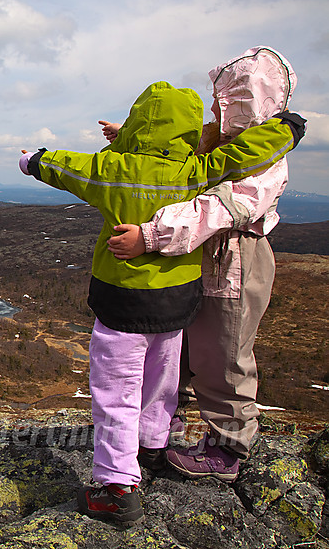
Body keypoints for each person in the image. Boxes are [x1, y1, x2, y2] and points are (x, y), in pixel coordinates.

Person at [19, 80, 304, 524]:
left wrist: (33, 159)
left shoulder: (111, 169)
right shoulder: (197, 170)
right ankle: (153, 448)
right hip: (177, 303)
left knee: (116, 392)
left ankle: (116, 486)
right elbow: (245, 153)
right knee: (162, 377)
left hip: (122, 305)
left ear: (137, 123)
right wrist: (286, 129)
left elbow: (65, 167)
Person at [105, 47, 299, 482]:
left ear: (247, 102)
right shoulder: (219, 143)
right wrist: (130, 140)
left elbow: (216, 207)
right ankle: (163, 425)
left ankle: (227, 446)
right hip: (197, 259)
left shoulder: (263, 160)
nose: (214, 109)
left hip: (235, 260)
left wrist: (152, 235)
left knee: (223, 354)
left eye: (223, 102)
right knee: (182, 349)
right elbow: (176, 167)